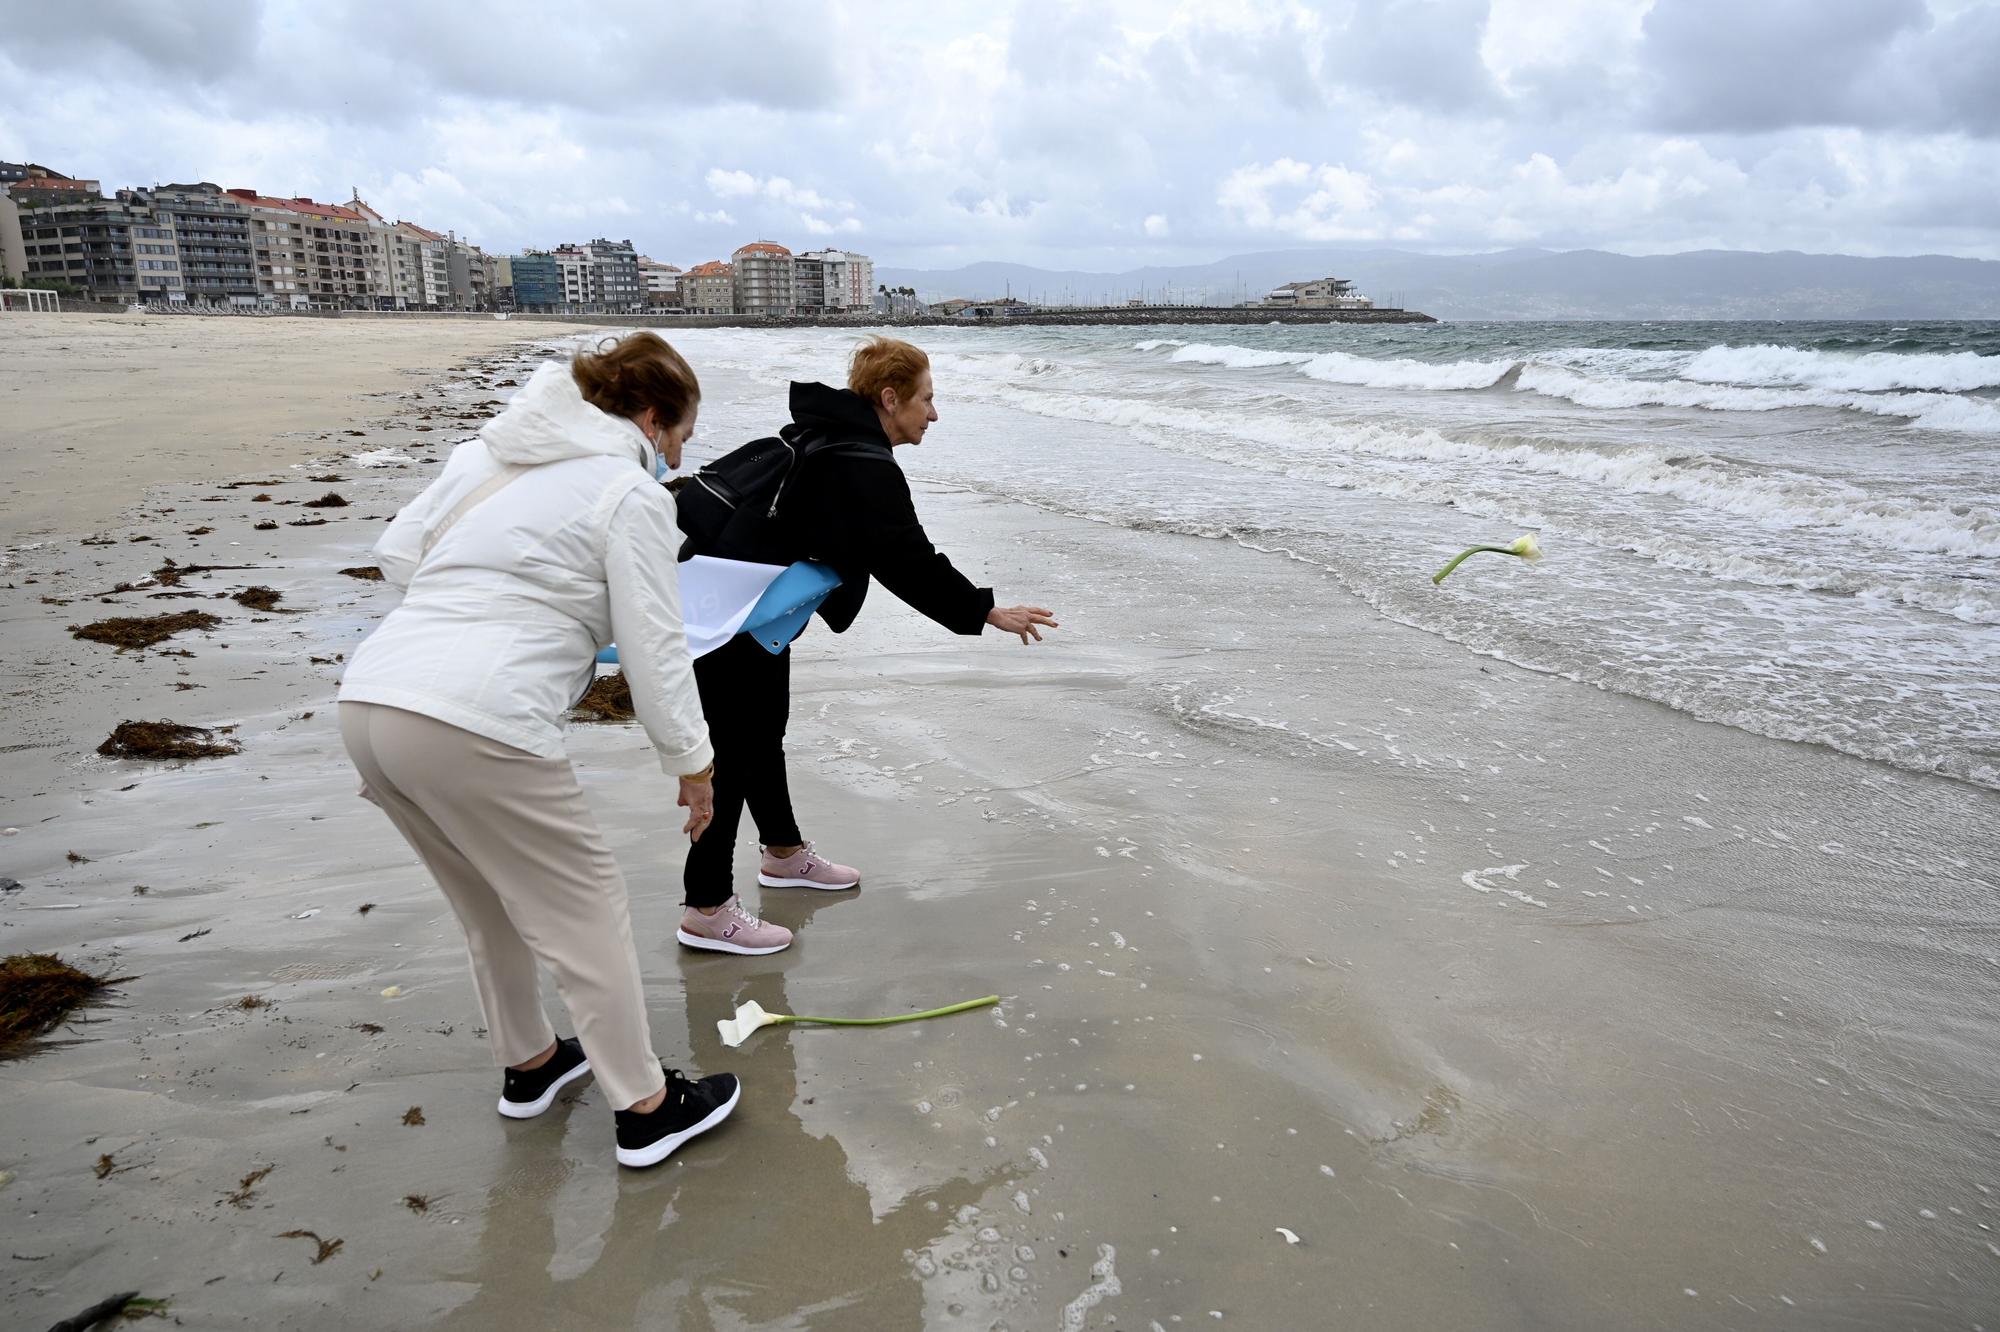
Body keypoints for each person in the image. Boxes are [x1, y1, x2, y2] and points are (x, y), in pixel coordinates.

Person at [338, 332, 740, 1169]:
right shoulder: (628, 491)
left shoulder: (487, 460)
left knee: (487, 901)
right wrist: (693, 765)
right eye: (681, 440)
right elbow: (656, 649)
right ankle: (648, 1107)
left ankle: (532, 1065)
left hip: (373, 698)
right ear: (655, 417)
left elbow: (400, 555)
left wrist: (508, 606)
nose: (676, 458)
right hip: (475, 718)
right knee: (585, 905)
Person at [675, 336, 1057, 954]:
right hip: (730, 617)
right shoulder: (859, 462)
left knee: (762, 731)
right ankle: (706, 906)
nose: (933, 413)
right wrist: (985, 610)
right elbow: (907, 560)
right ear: (890, 398)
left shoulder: (823, 436)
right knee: (739, 752)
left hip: (742, 611)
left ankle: (784, 853)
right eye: (926, 399)